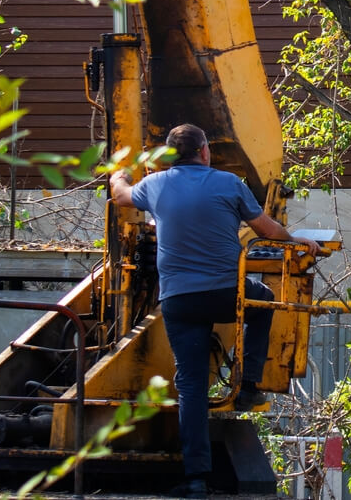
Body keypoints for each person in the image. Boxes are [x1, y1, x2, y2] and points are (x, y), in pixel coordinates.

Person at [110, 123, 319, 498]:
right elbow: (267, 229)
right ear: (205, 151)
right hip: (225, 293)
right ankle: (249, 385)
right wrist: (298, 239)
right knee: (264, 302)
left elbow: (121, 196)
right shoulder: (229, 184)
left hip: (179, 300)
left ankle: (195, 480)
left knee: (190, 387)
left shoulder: (155, 185)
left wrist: (119, 173)